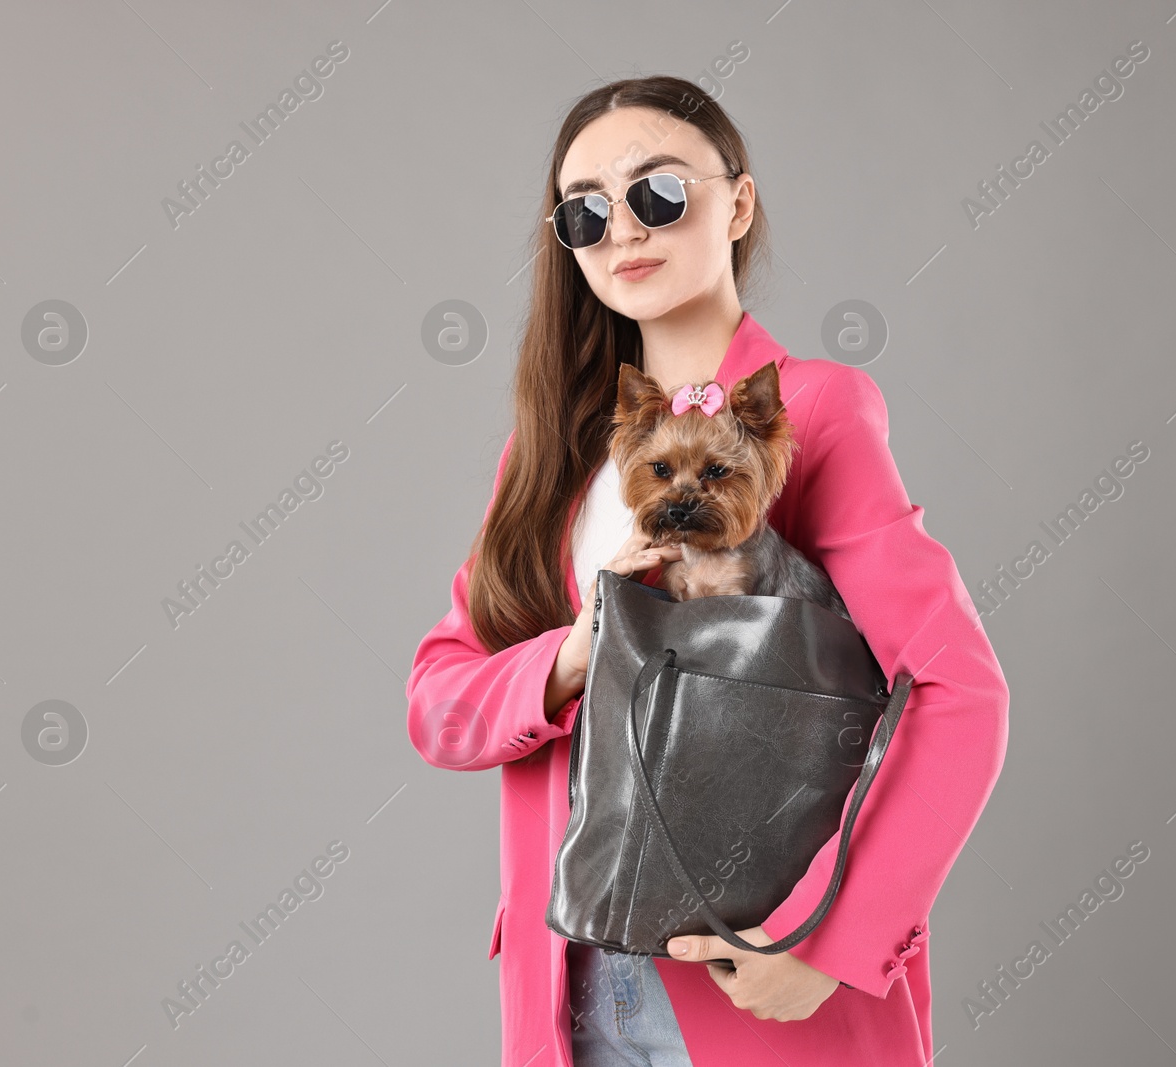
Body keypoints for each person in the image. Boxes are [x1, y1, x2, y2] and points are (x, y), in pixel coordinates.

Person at [406, 74, 1010, 1067]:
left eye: (658, 192)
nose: (623, 232)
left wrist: (830, 939)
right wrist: (571, 655)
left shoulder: (814, 412)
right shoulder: (547, 459)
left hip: (753, 982)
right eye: (585, 213)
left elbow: (958, 689)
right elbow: (437, 702)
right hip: (569, 993)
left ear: (736, 201)